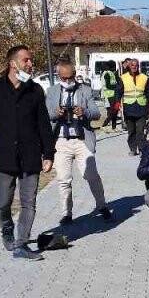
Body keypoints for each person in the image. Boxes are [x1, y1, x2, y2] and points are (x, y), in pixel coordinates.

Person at [0, 44, 56, 260]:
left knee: (29, 202)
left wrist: (49, 153)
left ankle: (21, 244)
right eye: (26, 60)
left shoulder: (35, 90)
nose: (30, 64)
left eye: (30, 60)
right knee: (3, 203)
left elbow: (43, 125)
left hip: (30, 156)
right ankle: (7, 229)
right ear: (13, 63)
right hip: (4, 156)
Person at [47, 55, 112, 226]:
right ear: (58, 75)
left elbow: (97, 113)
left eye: (71, 77)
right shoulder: (52, 91)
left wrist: (84, 112)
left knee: (92, 176)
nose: (68, 81)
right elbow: (46, 115)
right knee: (63, 179)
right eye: (64, 78)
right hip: (61, 141)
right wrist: (56, 113)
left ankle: (102, 205)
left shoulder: (85, 90)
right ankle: (66, 213)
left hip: (82, 139)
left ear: (75, 74)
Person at [120, 58, 149, 155]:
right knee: (131, 130)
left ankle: (141, 149)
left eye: (136, 65)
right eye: (132, 65)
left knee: (140, 130)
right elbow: (119, 91)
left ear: (138, 66)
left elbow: (148, 92)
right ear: (129, 66)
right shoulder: (123, 77)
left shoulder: (144, 77)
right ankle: (133, 149)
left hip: (141, 107)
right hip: (129, 107)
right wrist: (117, 103)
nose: (134, 67)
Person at [100, 60, 121, 132]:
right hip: (109, 94)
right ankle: (104, 125)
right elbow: (108, 85)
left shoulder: (112, 73)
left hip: (114, 94)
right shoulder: (106, 74)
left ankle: (114, 127)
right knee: (113, 111)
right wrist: (117, 86)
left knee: (115, 110)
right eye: (113, 66)